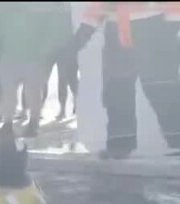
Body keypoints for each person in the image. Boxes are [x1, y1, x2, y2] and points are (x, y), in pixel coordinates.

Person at [73, 2, 180, 159]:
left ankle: (177, 139)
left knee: (161, 88)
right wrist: (85, 30)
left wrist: (172, 24)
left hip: (154, 26)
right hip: (116, 28)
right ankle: (120, 144)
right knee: (117, 89)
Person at [0, 2, 73, 137]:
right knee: (9, 92)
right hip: (10, 53)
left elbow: (56, 28)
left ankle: (33, 123)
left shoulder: (45, 7)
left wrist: (46, 50)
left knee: (32, 92)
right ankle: (8, 125)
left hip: (32, 55)